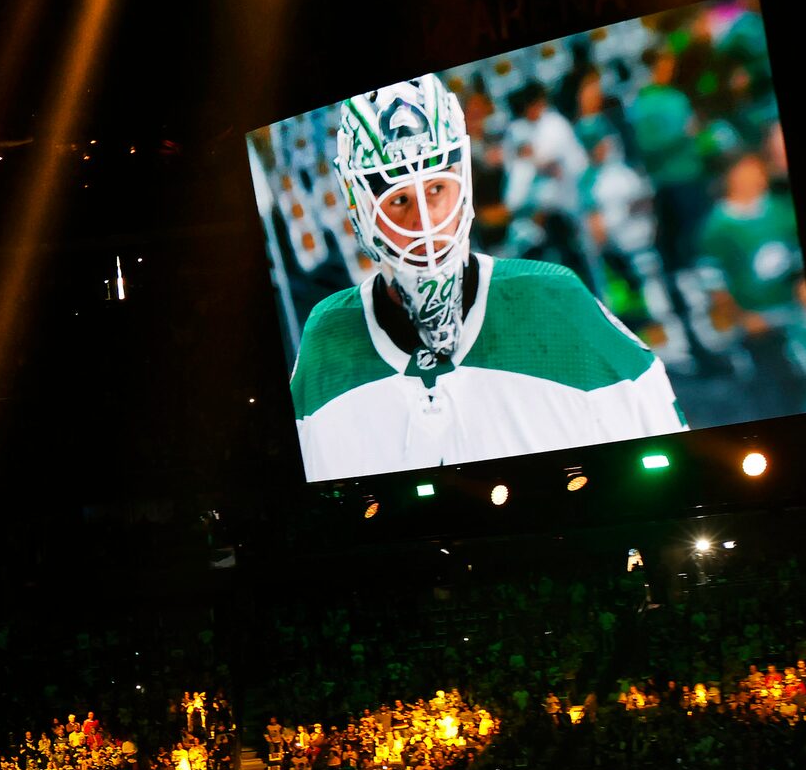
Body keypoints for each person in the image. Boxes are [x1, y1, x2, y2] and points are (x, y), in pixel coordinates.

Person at [289, 75, 684, 479]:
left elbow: (662, 437)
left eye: (437, 189)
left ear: (462, 182)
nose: (424, 223)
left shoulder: (555, 298)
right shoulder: (326, 337)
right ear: (361, 206)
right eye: (400, 199)